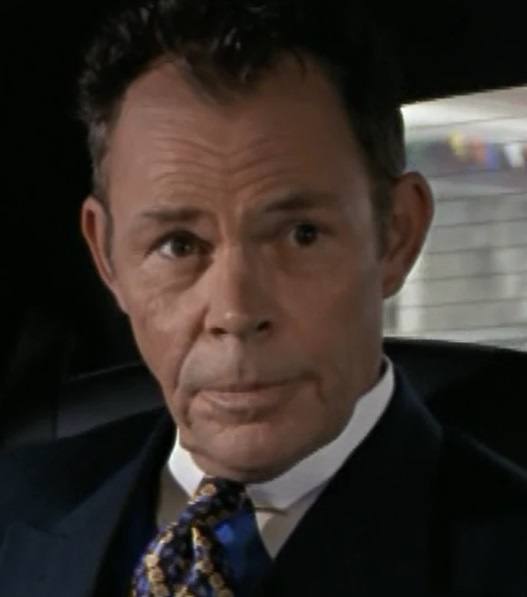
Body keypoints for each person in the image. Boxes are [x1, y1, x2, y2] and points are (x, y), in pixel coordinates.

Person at [1, 1, 526, 595]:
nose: (236, 312)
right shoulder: (12, 506)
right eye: (178, 245)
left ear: (396, 235)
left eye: (301, 235)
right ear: (107, 257)